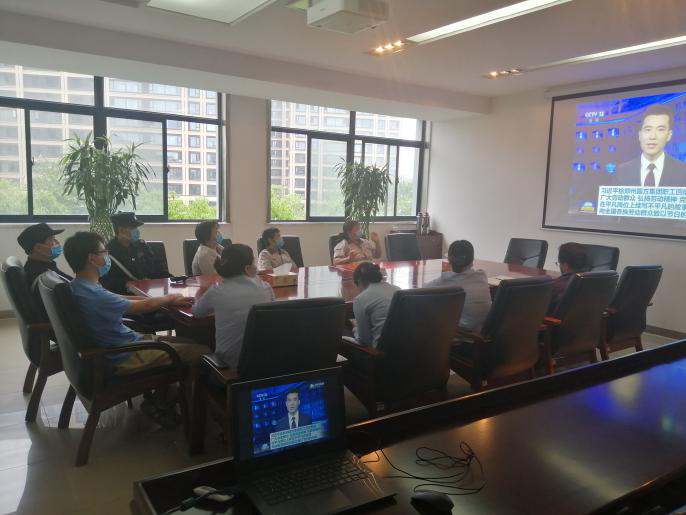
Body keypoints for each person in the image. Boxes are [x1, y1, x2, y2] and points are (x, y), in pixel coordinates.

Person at [63, 231, 211, 426]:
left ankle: (163, 396)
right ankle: (168, 403)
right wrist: (171, 298)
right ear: (92, 258)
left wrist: (162, 300)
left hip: (125, 344)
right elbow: (143, 307)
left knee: (189, 342)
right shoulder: (93, 295)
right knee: (203, 351)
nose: (107, 256)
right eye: (103, 252)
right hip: (124, 355)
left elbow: (122, 299)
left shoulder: (81, 286)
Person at [191, 244, 274, 369]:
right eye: (254, 263)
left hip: (229, 365)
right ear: (247, 268)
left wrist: (193, 300)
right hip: (264, 363)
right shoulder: (266, 288)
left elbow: (197, 312)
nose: (256, 267)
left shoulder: (217, 291)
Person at [425, 240, 492, 333]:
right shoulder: (482, 275)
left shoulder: (446, 279)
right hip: (484, 328)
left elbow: (424, 290)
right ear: (472, 259)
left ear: (449, 259)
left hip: (464, 332)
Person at [614, 104, 686, 187]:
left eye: (660, 130)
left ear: (669, 135)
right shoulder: (621, 172)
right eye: (648, 129)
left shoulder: (683, 172)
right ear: (640, 135)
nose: (652, 136)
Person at [101, 211, 171, 295]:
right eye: (133, 228)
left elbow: (157, 267)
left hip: (149, 291)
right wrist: (127, 284)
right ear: (121, 230)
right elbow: (106, 281)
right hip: (126, 296)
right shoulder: (109, 252)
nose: (136, 231)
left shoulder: (141, 246)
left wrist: (174, 279)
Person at [16, 223, 73, 319]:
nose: (57, 242)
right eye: (51, 239)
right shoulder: (45, 276)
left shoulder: (40, 267)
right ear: (38, 248)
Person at [351, 262, 399, 348]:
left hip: (381, 352)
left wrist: (355, 329)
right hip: (407, 347)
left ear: (359, 281)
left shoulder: (360, 299)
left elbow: (365, 340)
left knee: (342, 337)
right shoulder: (397, 289)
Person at [549, 242, 588, 314]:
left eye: (559, 263)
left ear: (565, 265)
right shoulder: (592, 281)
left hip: (554, 320)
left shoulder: (555, 286)